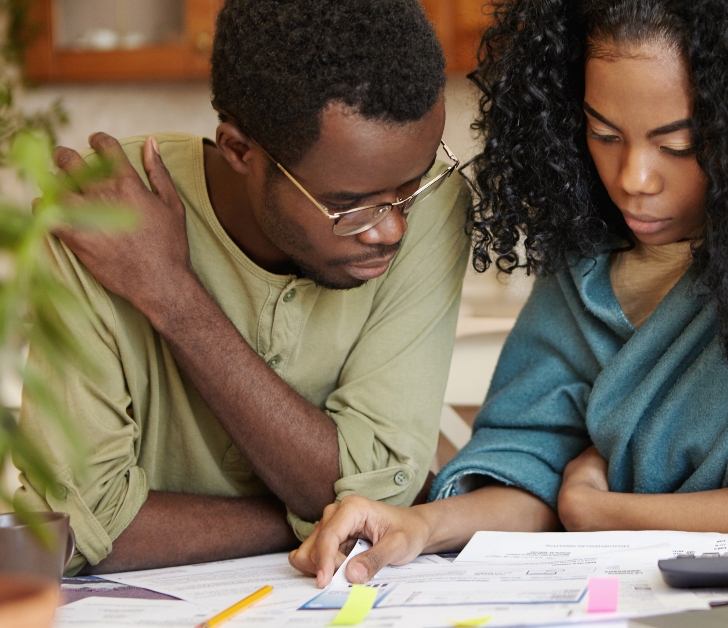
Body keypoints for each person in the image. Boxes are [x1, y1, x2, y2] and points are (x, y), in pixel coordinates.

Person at [292, 0, 728, 586]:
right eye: (603, 134)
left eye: (679, 144)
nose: (633, 178)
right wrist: (419, 526)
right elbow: (531, 467)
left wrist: (605, 512)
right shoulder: (586, 265)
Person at [14, 0, 470, 575]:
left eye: (413, 183)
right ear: (239, 151)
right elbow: (77, 526)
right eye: (347, 205)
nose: (392, 229)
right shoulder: (110, 213)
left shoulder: (436, 210)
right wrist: (325, 515)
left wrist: (172, 296)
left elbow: (386, 494)